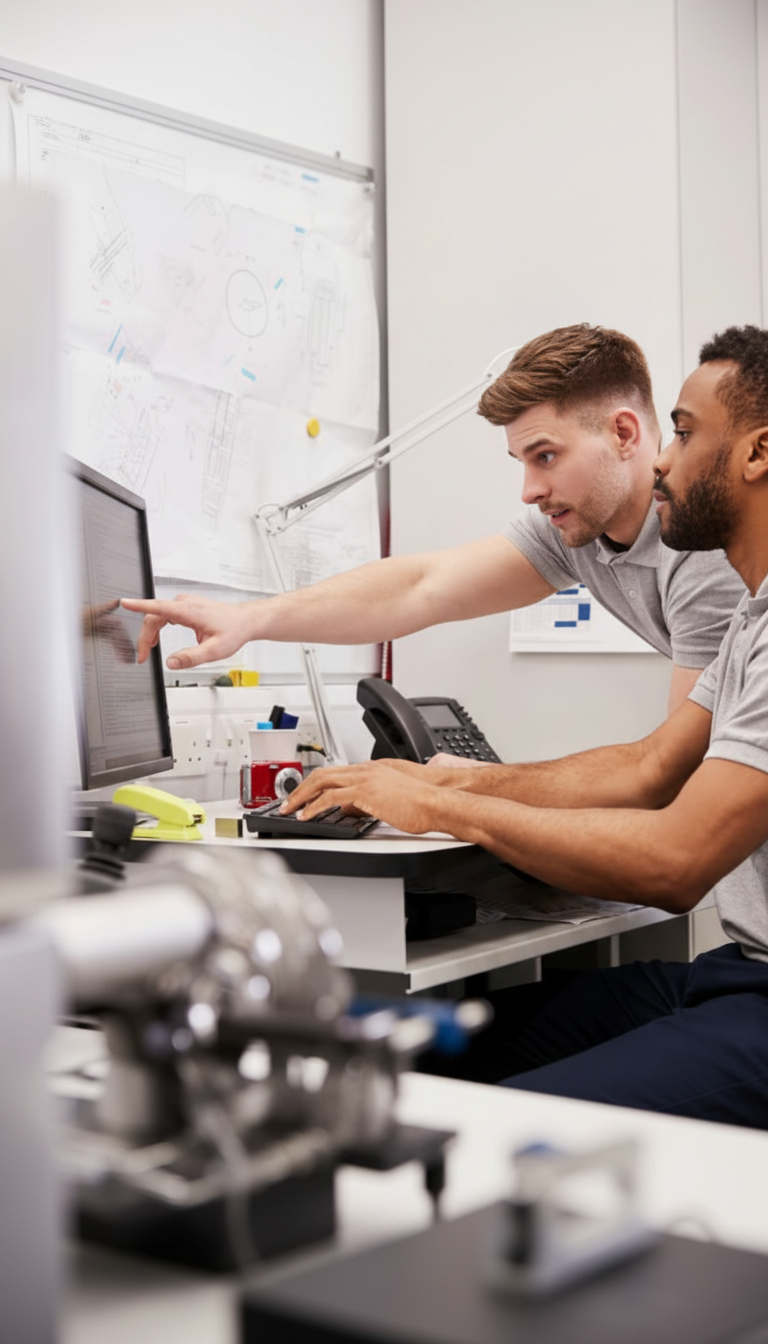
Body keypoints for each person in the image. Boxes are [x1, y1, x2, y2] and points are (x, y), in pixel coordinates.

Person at [278, 325, 768, 1128]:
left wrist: (445, 807)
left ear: (756, 453)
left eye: (681, 432)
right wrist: (444, 779)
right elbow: (649, 765)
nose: (664, 460)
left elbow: (676, 862)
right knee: (418, 1063)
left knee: (476, 1127)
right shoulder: (754, 619)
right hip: (738, 969)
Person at [123, 325, 745, 717]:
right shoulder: (577, 528)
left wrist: (465, 791)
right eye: (521, 462)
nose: (530, 490)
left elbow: (673, 773)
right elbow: (421, 587)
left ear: (623, 433)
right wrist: (248, 620)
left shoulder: (700, 549)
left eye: (546, 456)